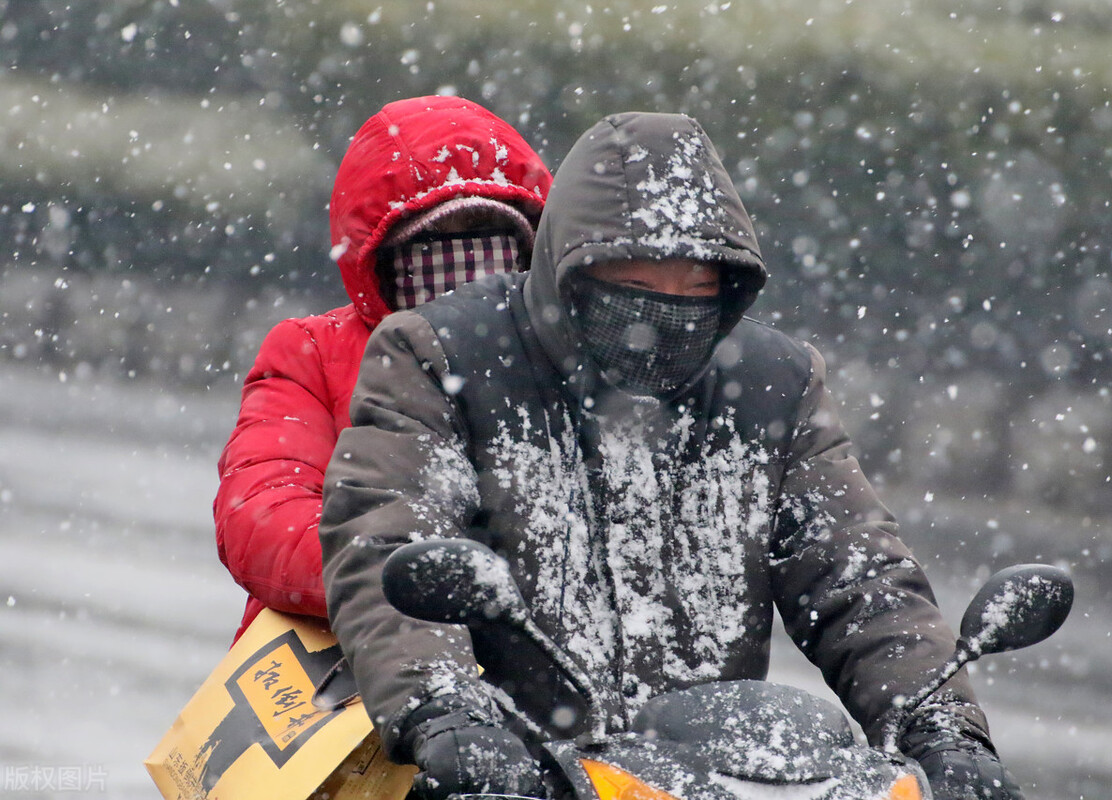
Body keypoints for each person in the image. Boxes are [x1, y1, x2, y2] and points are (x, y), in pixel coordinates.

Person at [319, 111, 1024, 800]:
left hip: (716, 779)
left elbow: (859, 578)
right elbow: (389, 535)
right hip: (511, 770)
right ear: (573, 275)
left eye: (696, 290)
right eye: (639, 288)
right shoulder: (445, 356)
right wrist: (446, 710)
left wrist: (945, 730)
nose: (669, 312)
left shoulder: (775, 386)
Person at [213, 96, 552, 641]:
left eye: (488, 244)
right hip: (342, 674)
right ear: (381, 261)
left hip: (533, 679)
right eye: (434, 247)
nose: (465, 279)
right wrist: (409, 580)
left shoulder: (566, 361)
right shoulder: (311, 355)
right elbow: (260, 517)